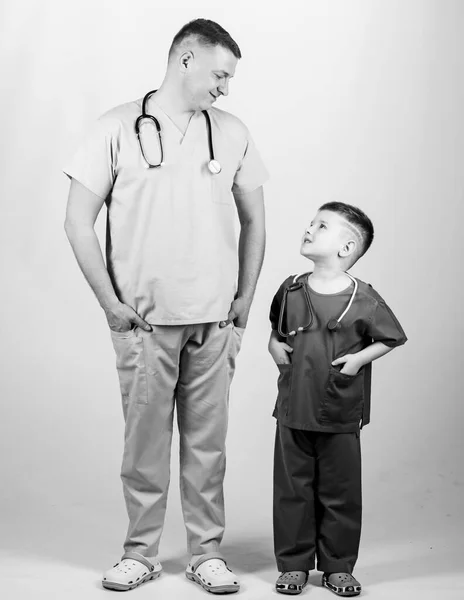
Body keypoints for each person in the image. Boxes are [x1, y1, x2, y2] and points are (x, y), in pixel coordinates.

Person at [63, 18, 268, 594]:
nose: (225, 88)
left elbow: (255, 218)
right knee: (144, 444)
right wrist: (110, 304)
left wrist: (244, 299)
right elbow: (78, 222)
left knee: (209, 446)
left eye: (229, 79)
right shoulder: (115, 127)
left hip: (214, 318)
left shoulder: (231, 131)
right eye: (219, 74)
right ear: (185, 60)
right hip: (145, 320)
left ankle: (206, 553)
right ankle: (140, 552)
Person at [268, 202, 407, 596]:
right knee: (292, 490)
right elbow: (277, 330)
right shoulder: (291, 289)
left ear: (346, 248)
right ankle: (294, 564)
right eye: (311, 222)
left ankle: (337, 566)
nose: (309, 229)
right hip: (294, 409)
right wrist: (272, 344)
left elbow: (391, 337)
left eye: (322, 226)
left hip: (339, 410)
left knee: (340, 491)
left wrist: (359, 359)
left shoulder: (363, 299)